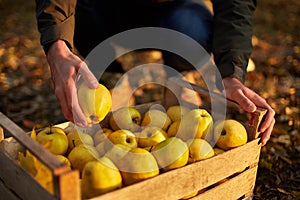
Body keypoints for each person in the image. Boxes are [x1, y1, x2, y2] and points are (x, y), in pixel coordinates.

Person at [35, 0, 275, 146]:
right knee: (82, 17)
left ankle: (179, 71)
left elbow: (236, 4)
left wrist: (231, 72)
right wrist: (57, 46)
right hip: (107, 6)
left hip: (172, 8)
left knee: (192, 28)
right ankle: (109, 72)